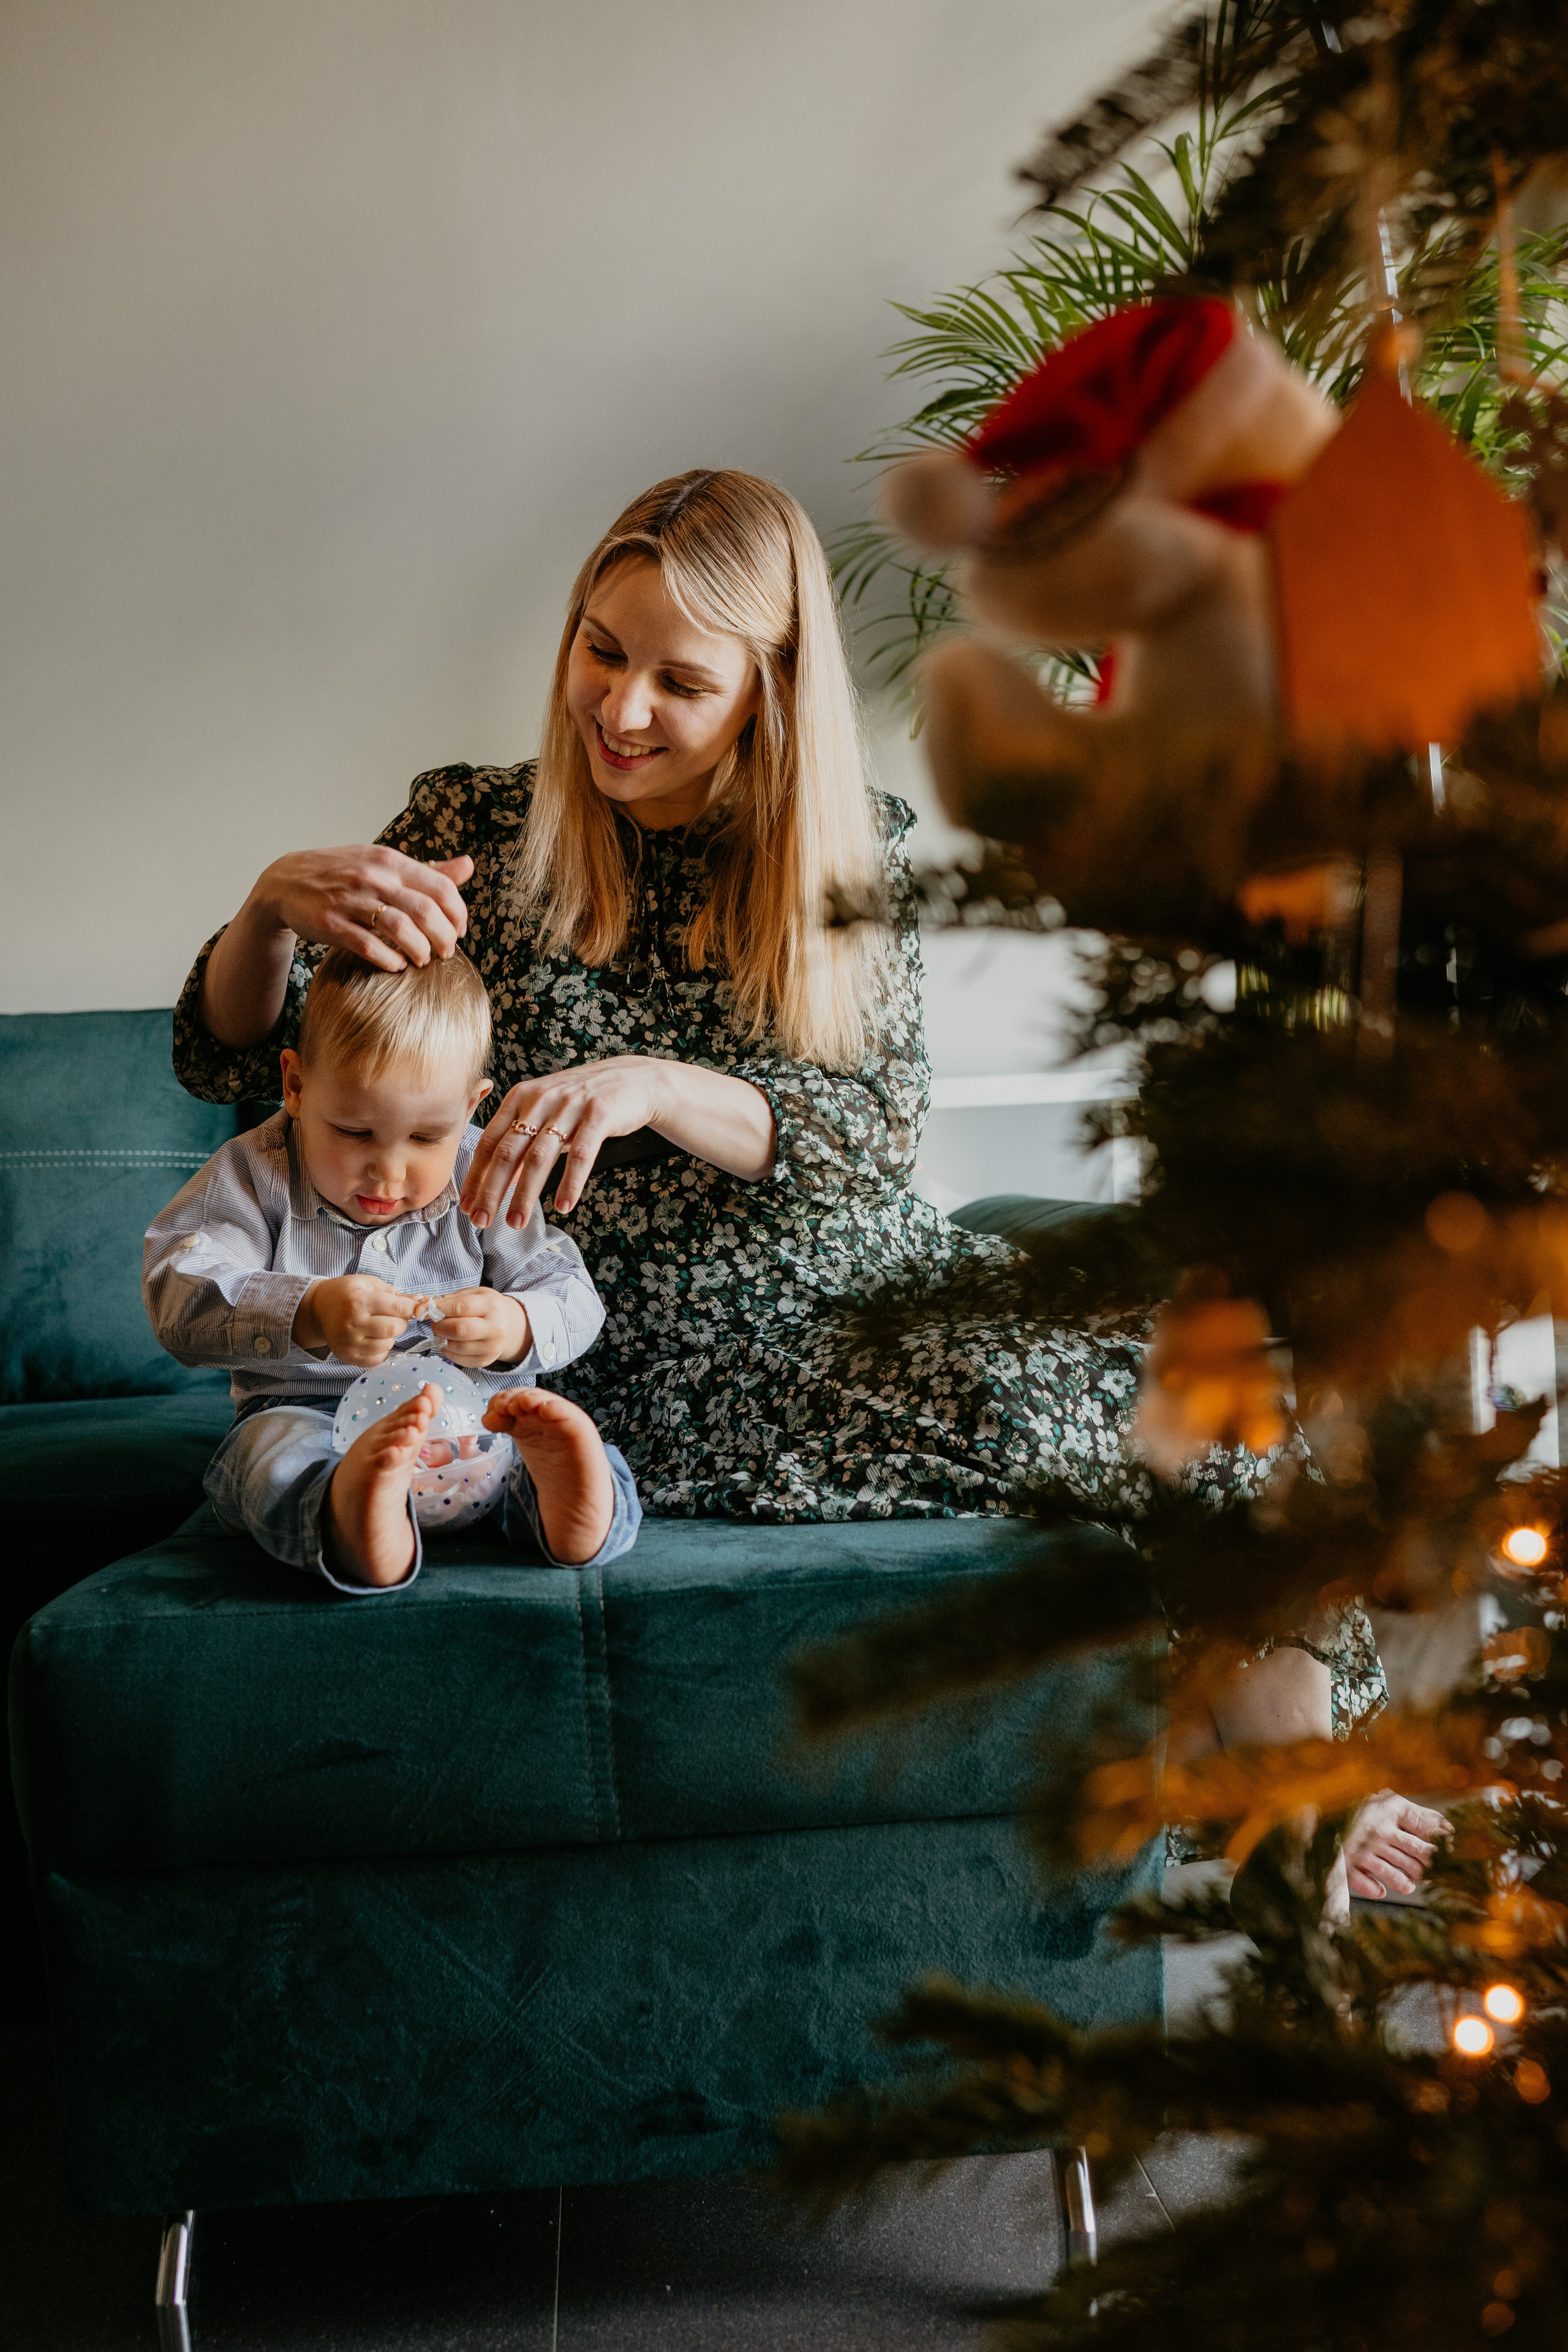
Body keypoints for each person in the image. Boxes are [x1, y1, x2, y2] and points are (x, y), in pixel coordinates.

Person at [170, 464, 1433, 1898]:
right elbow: (241, 1064)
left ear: (767, 695)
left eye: (678, 681)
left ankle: (1278, 1756)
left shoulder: (846, 850)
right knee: (1079, 1416)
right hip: (601, 1328)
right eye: (599, 647)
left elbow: (871, 1134)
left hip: (857, 1274)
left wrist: (654, 1081)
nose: (619, 707)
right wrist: (271, 911)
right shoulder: (475, 822)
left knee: (1207, 1411)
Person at [146, 943, 639, 1590]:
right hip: (308, 1415)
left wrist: (517, 1324)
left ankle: (571, 1505)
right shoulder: (252, 1175)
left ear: (471, 1107)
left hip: (477, 1422)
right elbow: (176, 1296)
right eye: (354, 1132)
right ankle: (352, 1511)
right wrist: (309, 1310)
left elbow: (570, 1291)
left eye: (426, 1137)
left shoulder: (480, 1170)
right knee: (269, 1460)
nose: (389, 1169)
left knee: (543, 1439)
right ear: (295, 1085)